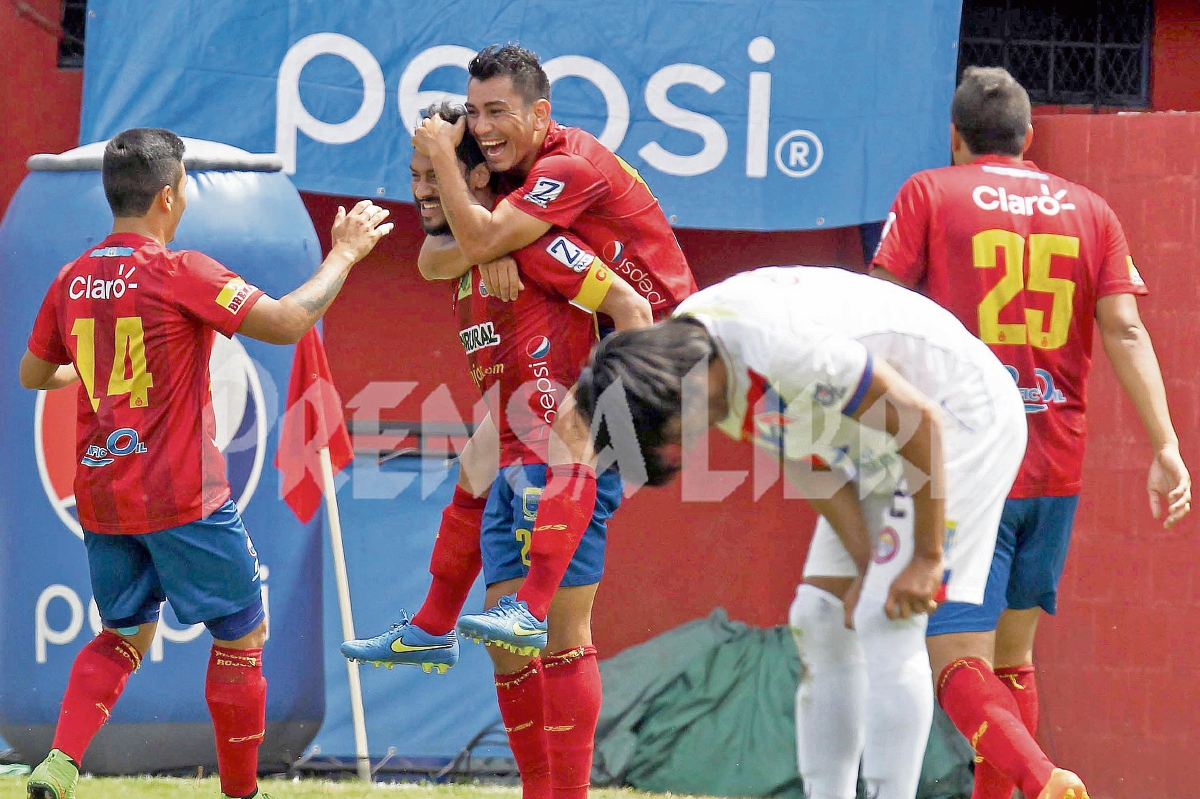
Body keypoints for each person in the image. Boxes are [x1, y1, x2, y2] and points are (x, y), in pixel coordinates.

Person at [572, 265, 1044, 799]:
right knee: (819, 618)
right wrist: (868, 566)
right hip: (877, 442)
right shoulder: (698, 354)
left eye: (671, 429)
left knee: (885, 619)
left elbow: (918, 421)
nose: (683, 441)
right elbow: (811, 466)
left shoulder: (779, 346)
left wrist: (927, 557)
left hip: (959, 419)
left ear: (686, 383)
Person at [19, 128, 391, 799]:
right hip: (183, 492)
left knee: (124, 633)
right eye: (184, 184)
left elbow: (33, 373)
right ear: (169, 194)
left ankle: (59, 763)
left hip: (102, 494)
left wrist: (96, 376)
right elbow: (283, 322)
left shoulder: (70, 278)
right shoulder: (181, 270)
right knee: (245, 631)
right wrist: (344, 254)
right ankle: (241, 791)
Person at [871, 66, 1190, 799]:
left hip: (968, 467)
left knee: (952, 657)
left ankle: (1042, 779)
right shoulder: (1091, 208)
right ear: (1029, 136)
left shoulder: (929, 192)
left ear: (955, 137)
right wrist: (1165, 444)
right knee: (1012, 656)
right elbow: (1127, 327)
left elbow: (879, 311)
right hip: (1055, 465)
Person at [341, 103, 652, 799]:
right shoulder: (466, 251)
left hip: (567, 462)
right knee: (509, 647)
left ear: (475, 172)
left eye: (435, 172)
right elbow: (430, 259)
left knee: (562, 635)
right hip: (514, 456)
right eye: (416, 173)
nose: (420, 187)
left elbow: (634, 312)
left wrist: (611, 431)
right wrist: (489, 248)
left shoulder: (539, 243)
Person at [393, 43, 697, 654]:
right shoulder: (512, 169)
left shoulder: (569, 166)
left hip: (665, 345)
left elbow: (473, 235)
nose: (481, 127)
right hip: (615, 328)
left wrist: (462, 187)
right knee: (482, 454)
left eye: (497, 111)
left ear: (540, 113)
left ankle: (528, 608)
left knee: (567, 435)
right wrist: (499, 246)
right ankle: (431, 627)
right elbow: (433, 257)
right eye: (473, 113)